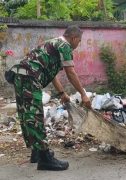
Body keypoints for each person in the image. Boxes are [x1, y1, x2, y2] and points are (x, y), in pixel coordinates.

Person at [9, 25, 91, 170]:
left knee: (27, 114)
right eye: (79, 41)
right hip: (29, 77)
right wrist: (84, 94)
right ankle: (45, 158)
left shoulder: (53, 44)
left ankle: (36, 152)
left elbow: (51, 74)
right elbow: (70, 73)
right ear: (73, 38)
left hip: (20, 75)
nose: (78, 44)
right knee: (35, 115)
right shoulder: (65, 46)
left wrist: (62, 93)